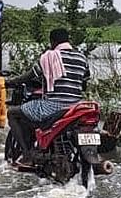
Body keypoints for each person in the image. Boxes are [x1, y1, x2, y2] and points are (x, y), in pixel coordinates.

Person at [7, 28, 90, 167]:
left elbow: (29, 76)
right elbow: (85, 81)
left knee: (13, 113)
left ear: (53, 42)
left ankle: (27, 154)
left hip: (53, 106)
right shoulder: (82, 58)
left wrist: (10, 82)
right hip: (76, 107)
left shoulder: (49, 57)